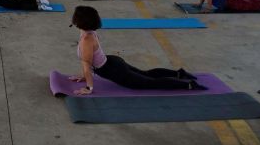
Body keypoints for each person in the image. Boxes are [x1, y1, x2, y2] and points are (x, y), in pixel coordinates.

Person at [67, 6, 205, 94]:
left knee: (149, 83)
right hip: (113, 62)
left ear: (79, 21)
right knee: (146, 74)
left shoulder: (86, 39)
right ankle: (179, 74)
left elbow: (87, 66)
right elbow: (89, 62)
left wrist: (88, 88)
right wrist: (84, 76)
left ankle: (188, 85)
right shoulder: (87, 31)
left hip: (113, 70)